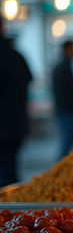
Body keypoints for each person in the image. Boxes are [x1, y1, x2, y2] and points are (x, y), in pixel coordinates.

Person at [0, 17, 32, 187]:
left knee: (6, 175)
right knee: (9, 170)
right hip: (16, 125)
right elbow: (29, 79)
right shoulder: (16, 56)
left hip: (4, 128)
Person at [53, 41, 73, 160]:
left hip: (66, 108)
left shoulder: (63, 66)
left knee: (69, 138)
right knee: (69, 138)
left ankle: (63, 164)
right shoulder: (63, 68)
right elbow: (64, 91)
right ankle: (61, 165)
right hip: (66, 109)